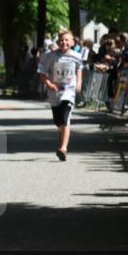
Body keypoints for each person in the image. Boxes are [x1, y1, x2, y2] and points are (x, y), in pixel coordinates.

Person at [38, 30, 85, 161]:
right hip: (54, 92)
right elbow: (42, 72)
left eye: (66, 40)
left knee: (65, 117)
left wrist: (79, 81)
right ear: (58, 42)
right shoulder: (51, 56)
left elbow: (79, 68)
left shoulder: (76, 55)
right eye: (61, 40)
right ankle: (62, 132)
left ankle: (63, 148)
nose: (64, 42)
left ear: (72, 42)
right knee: (58, 121)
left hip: (69, 91)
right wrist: (48, 84)